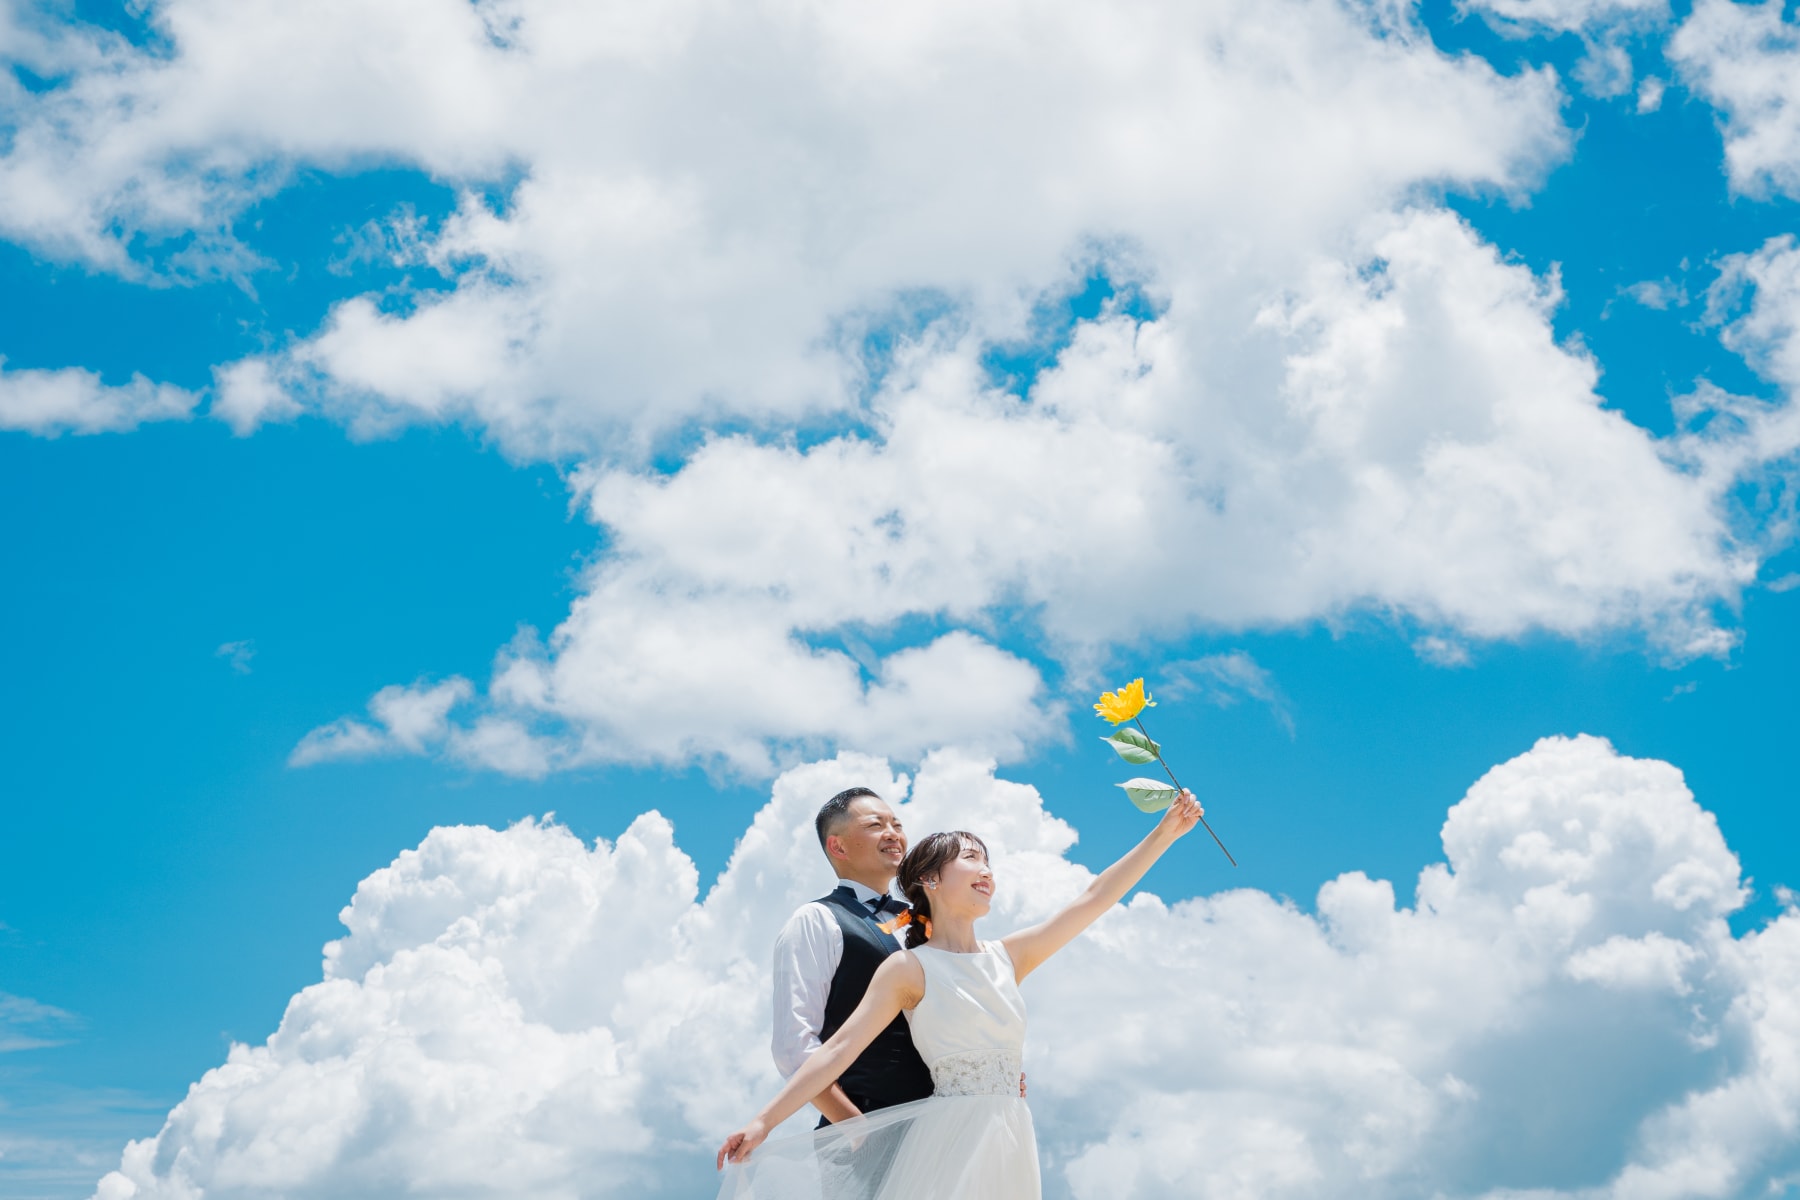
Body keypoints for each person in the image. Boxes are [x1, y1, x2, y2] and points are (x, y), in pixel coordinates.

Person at [717, 790, 1206, 1199]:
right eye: (972, 859)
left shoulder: (1007, 956)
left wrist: (1165, 833)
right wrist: (766, 1122)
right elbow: (834, 1049)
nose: (987, 870)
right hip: (933, 1138)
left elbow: (1094, 898)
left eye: (987, 861)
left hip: (1008, 1135)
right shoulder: (904, 966)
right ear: (930, 880)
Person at [770, 787, 932, 1126]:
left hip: (948, 1126)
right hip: (869, 1129)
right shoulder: (816, 921)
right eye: (875, 825)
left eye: (897, 825)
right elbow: (794, 1048)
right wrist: (856, 1130)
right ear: (838, 846)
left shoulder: (925, 920)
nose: (893, 834)